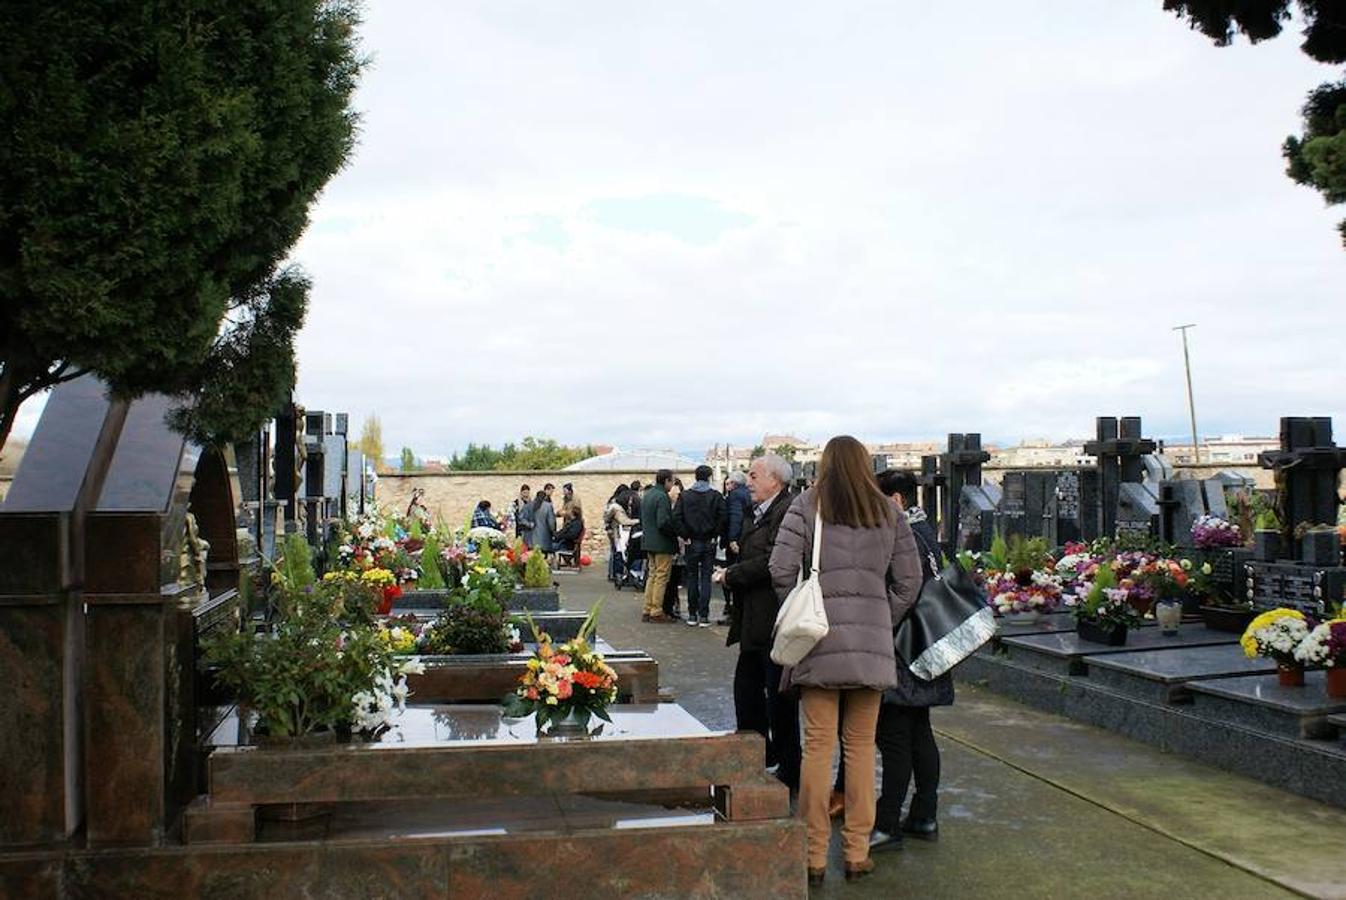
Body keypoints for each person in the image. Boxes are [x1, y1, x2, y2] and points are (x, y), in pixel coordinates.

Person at [769, 436, 922, 885]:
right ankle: (856, 851)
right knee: (859, 749)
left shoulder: (806, 505)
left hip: (818, 644)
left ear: (825, 464)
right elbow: (908, 583)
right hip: (872, 648)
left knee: (818, 747)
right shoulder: (889, 512)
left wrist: (803, 609)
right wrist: (879, 618)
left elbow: (779, 569)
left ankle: (814, 855)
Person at [869, 469, 950, 851]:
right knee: (919, 732)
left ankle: (886, 825)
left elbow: (900, 591)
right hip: (928, 644)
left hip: (902, 648)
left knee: (895, 736)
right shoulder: (926, 532)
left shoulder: (902, 537)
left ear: (896, 500)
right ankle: (924, 814)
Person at [713, 454, 800, 791]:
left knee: (779, 700)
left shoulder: (787, 511)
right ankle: (755, 756)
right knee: (746, 691)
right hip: (753, 619)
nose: (746, 481)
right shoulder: (760, 511)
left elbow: (774, 561)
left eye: (753, 475)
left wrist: (732, 574)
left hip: (775, 620)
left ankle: (790, 770)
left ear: (774, 480)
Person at [674, 464, 727, 627]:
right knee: (705, 578)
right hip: (709, 541)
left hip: (691, 541)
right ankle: (704, 615)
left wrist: (685, 535)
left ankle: (691, 614)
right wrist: (715, 534)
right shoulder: (716, 496)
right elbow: (723, 517)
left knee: (691, 577)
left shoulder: (685, 496)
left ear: (696, 477)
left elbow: (676, 517)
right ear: (709, 477)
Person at [639, 470, 679, 622]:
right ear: (666, 481)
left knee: (652, 575)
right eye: (672, 482)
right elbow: (663, 522)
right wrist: (674, 533)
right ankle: (656, 610)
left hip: (648, 541)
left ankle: (647, 608)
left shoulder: (647, 495)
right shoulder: (663, 497)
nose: (672, 485)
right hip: (662, 543)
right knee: (661, 577)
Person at [721, 470, 753, 625]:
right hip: (747, 538)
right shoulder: (748, 493)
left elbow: (735, 516)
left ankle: (734, 612)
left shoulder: (734, 496)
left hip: (737, 539)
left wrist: (732, 538)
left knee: (732, 573)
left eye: (729, 483)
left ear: (733, 483)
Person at [663, 478, 686, 620]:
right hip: (670, 546)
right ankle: (668, 607)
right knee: (668, 579)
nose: (677, 495)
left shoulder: (682, 506)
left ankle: (673, 606)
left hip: (679, 546)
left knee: (675, 578)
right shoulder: (665, 506)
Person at [605, 485, 639, 582]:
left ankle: (615, 574)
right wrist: (638, 521)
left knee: (617, 553)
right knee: (618, 554)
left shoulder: (615, 506)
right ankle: (616, 574)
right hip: (617, 533)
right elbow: (624, 521)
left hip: (617, 532)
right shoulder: (616, 508)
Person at [531, 489, 557, 558]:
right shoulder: (548, 506)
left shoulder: (530, 505)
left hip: (531, 539)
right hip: (544, 537)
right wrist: (553, 532)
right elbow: (551, 522)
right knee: (542, 560)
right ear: (545, 497)